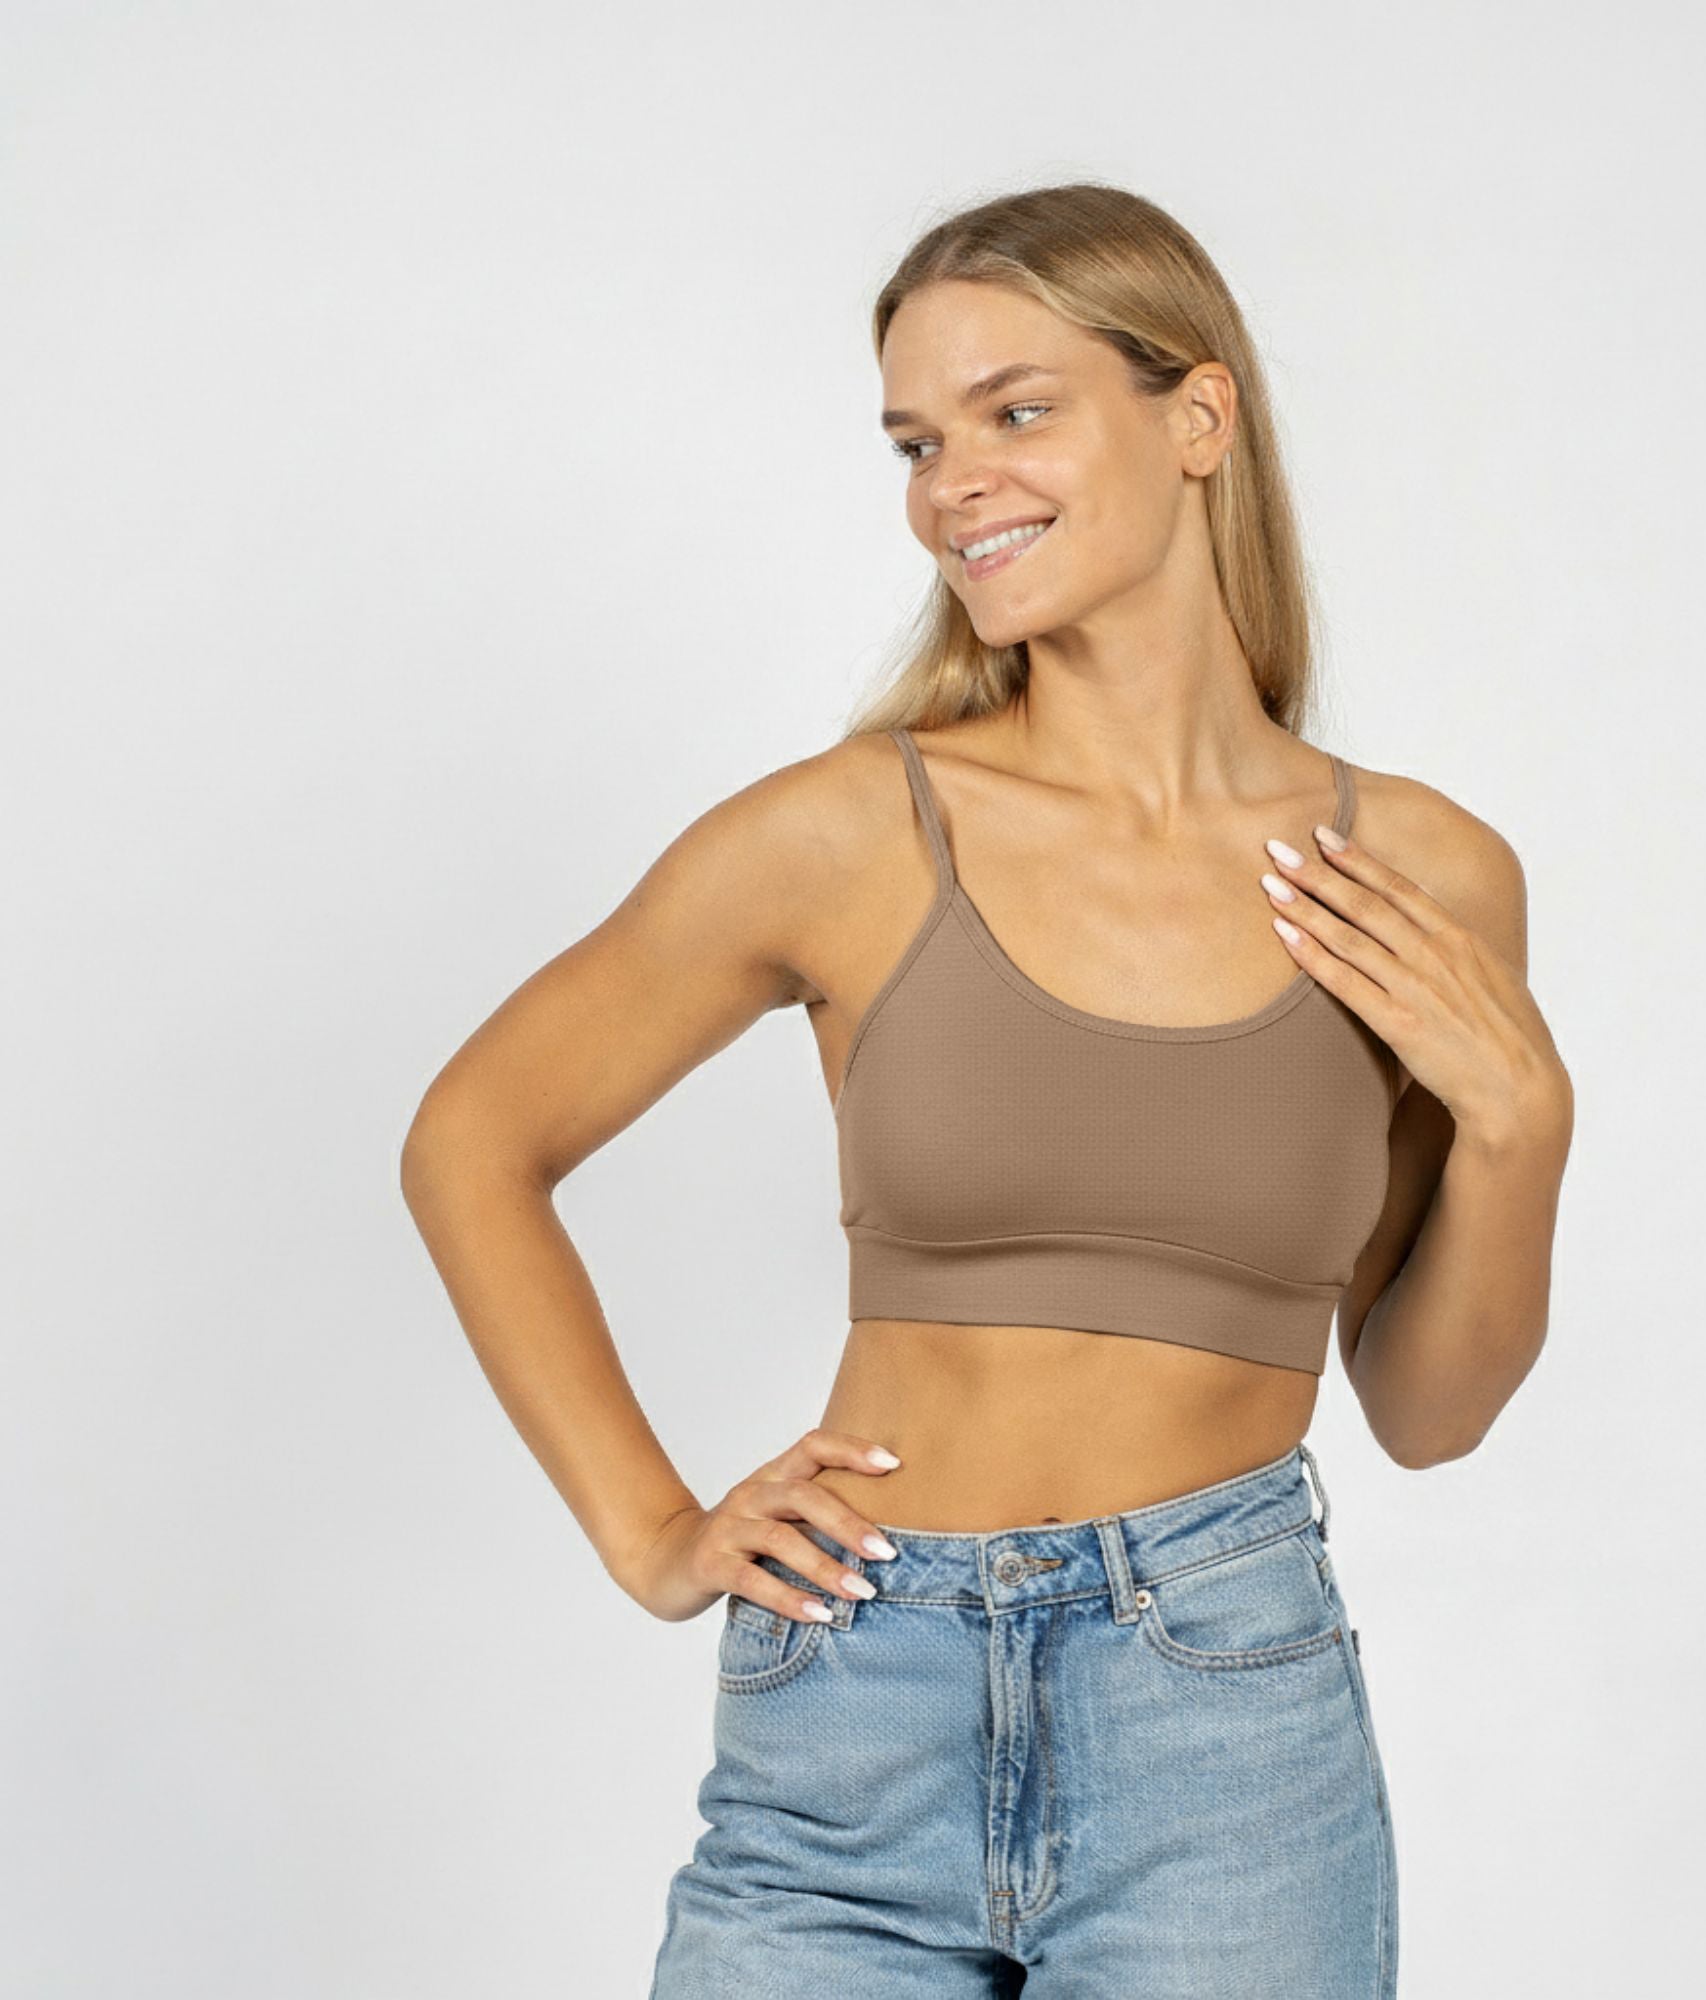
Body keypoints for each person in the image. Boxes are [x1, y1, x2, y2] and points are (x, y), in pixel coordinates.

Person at [400, 181, 1573, 1998]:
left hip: (1225, 1732)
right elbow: (475, 1137)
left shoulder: (1417, 870)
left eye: (1016, 412)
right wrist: (651, 1529)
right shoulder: (850, 833)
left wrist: (1520, 1126)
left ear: (1198, 416)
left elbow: (1423, 1408)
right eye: (917, 440)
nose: (956, 482)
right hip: (852, 1704)